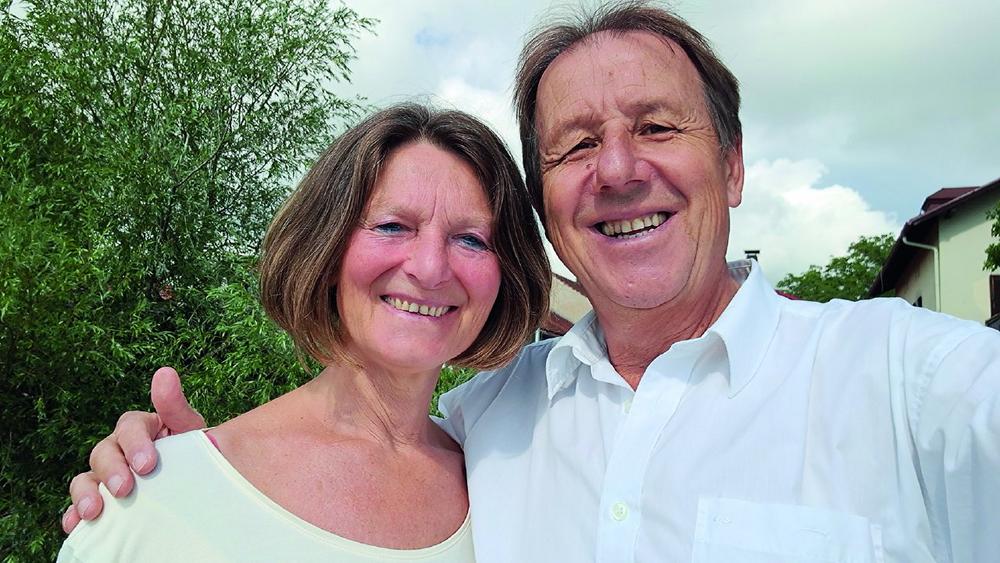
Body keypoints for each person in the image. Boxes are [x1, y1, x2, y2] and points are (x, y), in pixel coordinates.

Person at [65, 3, 1000, 562]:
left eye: (657, 127)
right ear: (549, 207)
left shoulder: (910, 382)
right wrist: (196, 485)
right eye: (577, 144)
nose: (618, 168)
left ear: (734, 166)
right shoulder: (487, 421)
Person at [57, 103, 550, 562]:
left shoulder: (514, 482)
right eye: (392, 226)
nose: (430, 268)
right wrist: (180, 484)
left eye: (471, 239)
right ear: (328, 249)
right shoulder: (152, 502)